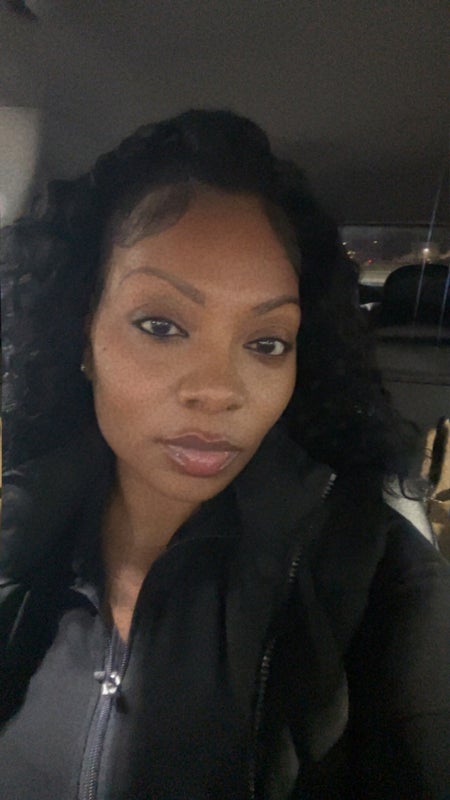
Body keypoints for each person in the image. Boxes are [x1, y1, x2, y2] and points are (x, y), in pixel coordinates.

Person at [0, 109, 449, 800]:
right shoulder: (20, 528)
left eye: (267, 343)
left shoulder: (375, 574)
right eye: (161, 325)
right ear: (82, 335)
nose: (219, 391)